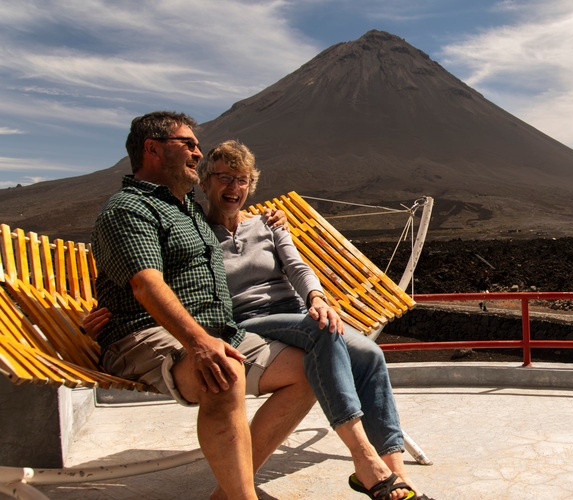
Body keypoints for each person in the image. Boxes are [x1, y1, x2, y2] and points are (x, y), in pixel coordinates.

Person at [90, 111, 417, 500]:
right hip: (185, 332)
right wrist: (197, 340)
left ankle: (382, 470)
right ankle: (332, 472)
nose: (197, 152)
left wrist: (311, 289)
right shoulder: (133, 209)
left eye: (241, 179)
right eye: (189, 144)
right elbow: (144, 282)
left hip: (229, 329)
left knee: (327, 364)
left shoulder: (191, 212)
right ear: (153, 149)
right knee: (227, 369)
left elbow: (294, 266)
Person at [198, 139, 433, 500]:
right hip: (249, 322)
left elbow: (297, 266)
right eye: (224, 177)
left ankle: (395, 474)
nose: (234, 188)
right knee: (319, 330)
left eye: (242, 179)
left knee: (370, 355)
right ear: (205, 181)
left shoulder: (267, 223)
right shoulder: (193, 232)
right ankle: (364, 460)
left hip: (294, 313)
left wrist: (317, 297)